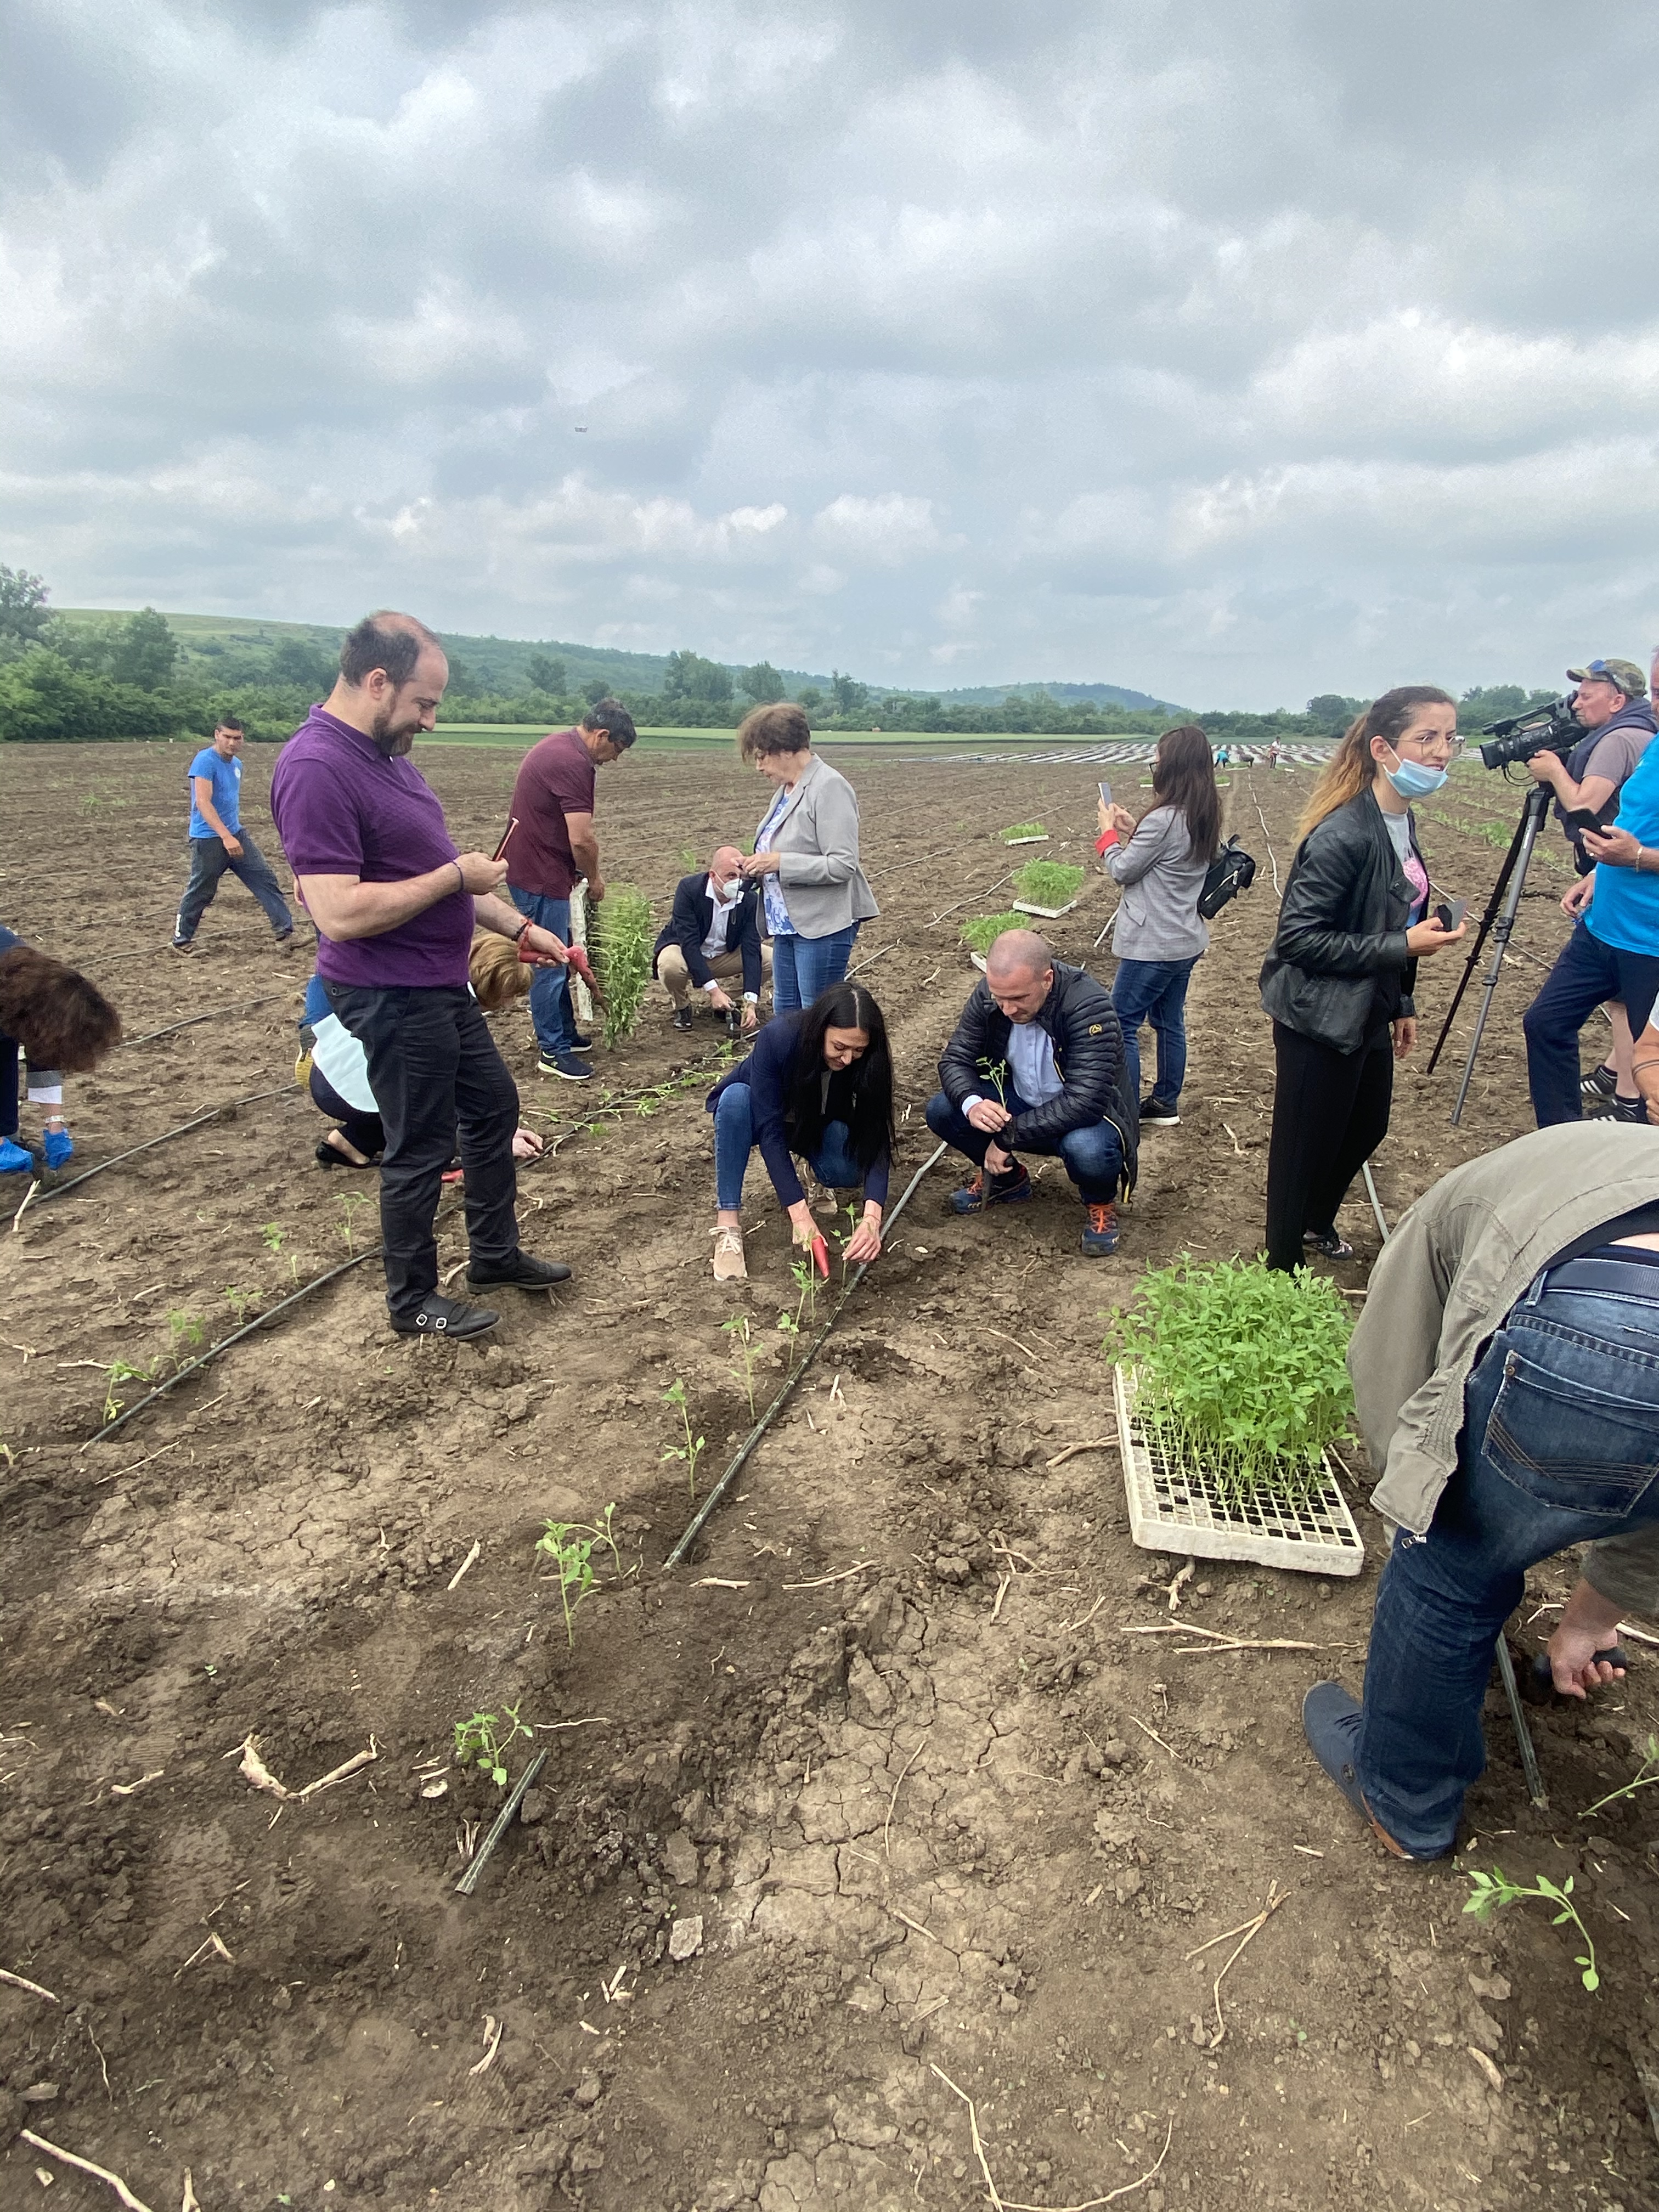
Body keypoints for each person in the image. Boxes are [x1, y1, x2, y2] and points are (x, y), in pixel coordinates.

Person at [1301, 1122, 1659, 1861]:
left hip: (1608, 1327)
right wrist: (1595, 1615)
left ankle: (1404, 1805)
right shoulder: (1606, 1165)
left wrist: (1416, 1506)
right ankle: (1581, 1636)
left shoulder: (1446, 1210)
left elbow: (1387, 1363)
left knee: (1449, 1570)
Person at [269, 610, 574, 1341]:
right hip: (389, 993)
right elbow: (339, 911)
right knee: (420, 1146)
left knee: (494, 1108)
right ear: (378, 682)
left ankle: (494, 1256)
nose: (430, 721)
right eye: (423, 704)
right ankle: (411, 1302)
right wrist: (451, 877)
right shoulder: (317, 766)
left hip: (435, 986)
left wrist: (526, 929)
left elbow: (451, 884)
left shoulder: (389, 757)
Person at [1258, 689, 1466, 1271]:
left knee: (1367, 1123)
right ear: (1382, 748)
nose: (1442, 752)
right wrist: (1404, 945)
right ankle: (1281, 1265)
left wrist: (1402, 999)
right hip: (1318, 1014)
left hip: (1369, 1002)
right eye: (1426, 738)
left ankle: (1314, 1220)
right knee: (1302, 1147)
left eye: (1450, 738)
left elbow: (1394, 914)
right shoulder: (1343, 835)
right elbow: (1298, 940)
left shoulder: (1400, 821)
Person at [924, 928, 1138, 1256]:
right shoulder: (991, 994)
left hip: (1087, 1119)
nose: (1007, 1009)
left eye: (1019, 999)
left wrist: (1006, 1137)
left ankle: (1100, 1203)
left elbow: (1085, 1101)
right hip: (1022, 1102)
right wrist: (973, 1104)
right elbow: (955, 1058)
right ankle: (1010, 1183)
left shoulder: (1088, 1005)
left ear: (1047, 979)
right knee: (944, 1110)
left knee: (1087, 1149)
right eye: (1000, 998)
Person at [1528, 656, 1658, 1117]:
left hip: (1651, 941)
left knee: (1651, 1072)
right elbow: (1636, 821)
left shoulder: (1625, 738)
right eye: (1658, 694)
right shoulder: (1655, 748)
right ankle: (1561, 1138)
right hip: (1603, 925)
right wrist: (1600, 873)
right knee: (1545, 1023)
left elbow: (1621, 830)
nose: (1658, 707)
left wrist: (1639, 859)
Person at [704, 981, 893, 1283]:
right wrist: (801, 1216)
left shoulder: (867, 1058)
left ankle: (812, 1172)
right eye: (839, 1047)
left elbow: (876, 1133)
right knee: (736, 1100)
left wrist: (872, 1218)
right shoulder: (779, 1038)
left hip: (815, 1118)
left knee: (847, 1169)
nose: (847, 1060)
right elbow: (770, 1132)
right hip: (761, 1113)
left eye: (858, 1051)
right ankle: (728, 1223)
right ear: (821, 1029)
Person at [303, 935, 543, 1170]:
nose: (509, 1004)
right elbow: (450, 1096)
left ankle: (350, 1142)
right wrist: (496, 1137)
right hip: (347, 1092)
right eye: (509, 996)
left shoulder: (429, 978)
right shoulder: (448, 1015)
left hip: (327, 1072)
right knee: (429, 1116)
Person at [501, 699, 637, 1082]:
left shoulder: (561, 747)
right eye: (617, 750)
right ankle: (553, 1050)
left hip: (538, 868)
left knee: (559, 954)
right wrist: (594, 878)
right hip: (540, 876)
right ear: (603, 736)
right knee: (549, 964)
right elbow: (582, 839)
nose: (615, 760)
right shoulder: (573, 763)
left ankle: (564, 1035)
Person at [1097, 723, 1221, 1127]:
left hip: (1152, 945)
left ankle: (1126, 1111)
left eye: (1159, 759)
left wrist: (1108, 836)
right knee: (1170, 1022)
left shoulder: (1165, 818)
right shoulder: (1203, 812)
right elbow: (1171, 858)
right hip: (1186, 938)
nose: (1155, 765)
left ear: (1172, 766)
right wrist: (1134, 829)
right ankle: (1165, 1102)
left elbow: (1123, 870)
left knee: (1123, 1025)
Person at [735, 704, 878, 1011]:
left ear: (785, 750)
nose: (759, 767)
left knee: (816, 1014)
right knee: (786, 1011)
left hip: (822, 925)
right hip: (787, 924)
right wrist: (754, 867)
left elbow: (842, 864)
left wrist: (779, 862)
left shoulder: (829, 787)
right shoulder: (787, 790)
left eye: (762, 756)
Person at [0, 929, 122, 1173]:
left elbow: (43, 1053)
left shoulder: (33, 985)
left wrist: (55, 1125)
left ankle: (7, 1136)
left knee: (6, 1041)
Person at [172, 718, 296, 952]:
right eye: (227, 737)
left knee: (264, 878)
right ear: (217, 735)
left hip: (236, 833)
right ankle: (181, 940)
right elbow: (203, 802)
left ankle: (285, 933)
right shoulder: (205, 761)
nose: (232, 742)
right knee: (202, 889)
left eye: (237, 738)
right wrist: (226, 837)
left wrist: (233, 835)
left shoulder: (237, 764)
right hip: (208, 838)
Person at [653, 845, 770, 1034]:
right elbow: (689, 943)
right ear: (713, 876)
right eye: (731, 876)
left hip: (724, 954)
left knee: (770, 960)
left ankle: (728, 1002)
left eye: (741, 876)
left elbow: (751, 948)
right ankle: (682, 1006)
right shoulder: (689, 890)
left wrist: (751, 1002)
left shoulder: (749, 900)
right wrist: (713, 990)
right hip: (686, 952)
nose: (738, 882)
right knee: (669, 965)